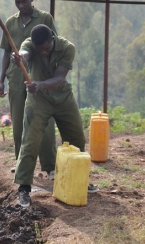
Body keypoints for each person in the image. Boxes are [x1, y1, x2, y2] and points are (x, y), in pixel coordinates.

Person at [12, 24, 95, 207]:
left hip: (63, 97)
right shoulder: (31, 45)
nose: (43, 52)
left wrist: (39, 84)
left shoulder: (67, 48)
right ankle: (24, 188)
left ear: (53, 39)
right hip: (38, 100)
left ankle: (78, 179)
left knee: (76, 139)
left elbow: (59, 78)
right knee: (31, 141)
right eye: (39, 49)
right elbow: (25, 53)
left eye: (47, 49)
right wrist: (20, 58)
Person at [0, 0, 58, 177]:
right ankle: (22, 164)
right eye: (17, 2)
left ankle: (49, 166)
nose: (21, 5)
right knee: (18, 124)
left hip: (39, 77)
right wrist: (1, 80)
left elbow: (53, 45)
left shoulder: (45, 19)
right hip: (16, 78)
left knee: (44, 122)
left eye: (24, 1)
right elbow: (6, 52)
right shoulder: (10, 22)